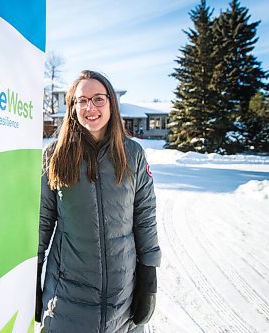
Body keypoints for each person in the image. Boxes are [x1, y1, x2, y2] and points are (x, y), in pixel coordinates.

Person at [35, 70, 161, 333]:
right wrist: (34, 270)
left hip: (123, 296)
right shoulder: (54, 156)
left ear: (111, 104)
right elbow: (43, 217)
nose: (90, 107)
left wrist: (148, 275)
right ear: (72, 108)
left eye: (98, 99)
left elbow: (145, 215)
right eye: (82, 100)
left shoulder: (132, 154)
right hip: (66, 298)